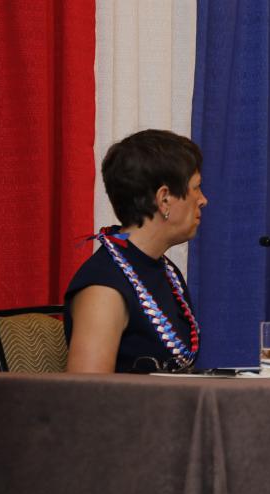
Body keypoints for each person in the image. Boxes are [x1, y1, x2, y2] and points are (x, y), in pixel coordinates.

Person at [64, 129, 208, 373]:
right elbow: (84, 397)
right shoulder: (104, 287)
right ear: (164, 199)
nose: (203, 200)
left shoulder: (164, 270)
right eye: (196, 188)